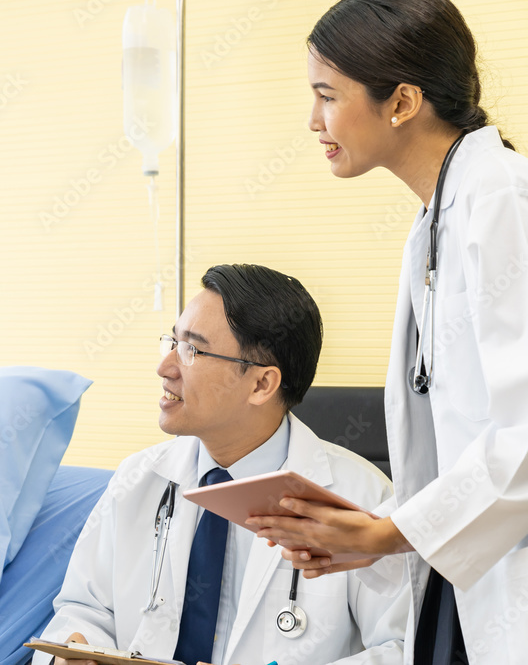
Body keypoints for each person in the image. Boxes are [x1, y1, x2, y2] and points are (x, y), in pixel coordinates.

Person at [247, 0, 528, 664]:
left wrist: (390, 532)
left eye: (327, 96)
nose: (313, 120)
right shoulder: (434, 221)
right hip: (469, 576)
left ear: (401, 102)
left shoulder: (502, 198)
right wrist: (375, 531)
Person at [33, 264, 408, 665]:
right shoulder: (137, 478)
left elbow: (404, 648)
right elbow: (81, 610)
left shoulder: (366, 498)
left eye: (192, 350)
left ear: (261, 384)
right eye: (172, 342)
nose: (165, 368)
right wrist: (70, 653)